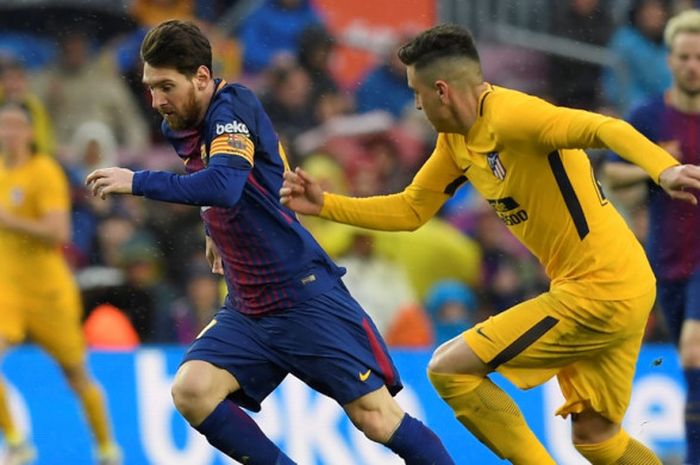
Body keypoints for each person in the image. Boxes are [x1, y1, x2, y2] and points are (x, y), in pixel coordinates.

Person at [280, 23, 700, 465]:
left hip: (600, 288)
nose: (415, 104)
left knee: (449, 369)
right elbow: (411, 210)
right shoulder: (457, 140)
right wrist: (325, 204)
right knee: (597, 438)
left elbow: (604, 128)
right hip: (622, 282)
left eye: (417, 93)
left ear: (441, 90)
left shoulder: (513, 117)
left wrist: (664, 169)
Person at [85, 20, 455, 465]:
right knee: (193, 390)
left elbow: (223, 184)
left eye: (166, 86)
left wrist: (136, 180)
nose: (157, 100)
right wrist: (212, 227)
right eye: (149, 87)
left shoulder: (232, 107)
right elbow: (234, 183)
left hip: (302, 296)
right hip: (249, 304)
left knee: (376, 418)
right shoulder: (179, 121)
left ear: (202, 77)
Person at [0, 103, 122, 465]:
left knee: (76, 376)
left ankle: (106, 449)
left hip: (49, 292)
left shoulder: (44, 172)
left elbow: (60, 231)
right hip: (7, 290)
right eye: (2, 124)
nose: (7, 131)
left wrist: (8, 219)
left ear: (30, 132)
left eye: (14, 124)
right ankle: (18, 443)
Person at [604, 9, 700, 465]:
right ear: (669, 60)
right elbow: (611, 175)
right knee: (691, 363)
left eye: (699, 57)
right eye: (684, 56)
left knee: (694, 349)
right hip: (670, 259)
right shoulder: (648, 116)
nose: (692, 66)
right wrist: (655, 165)